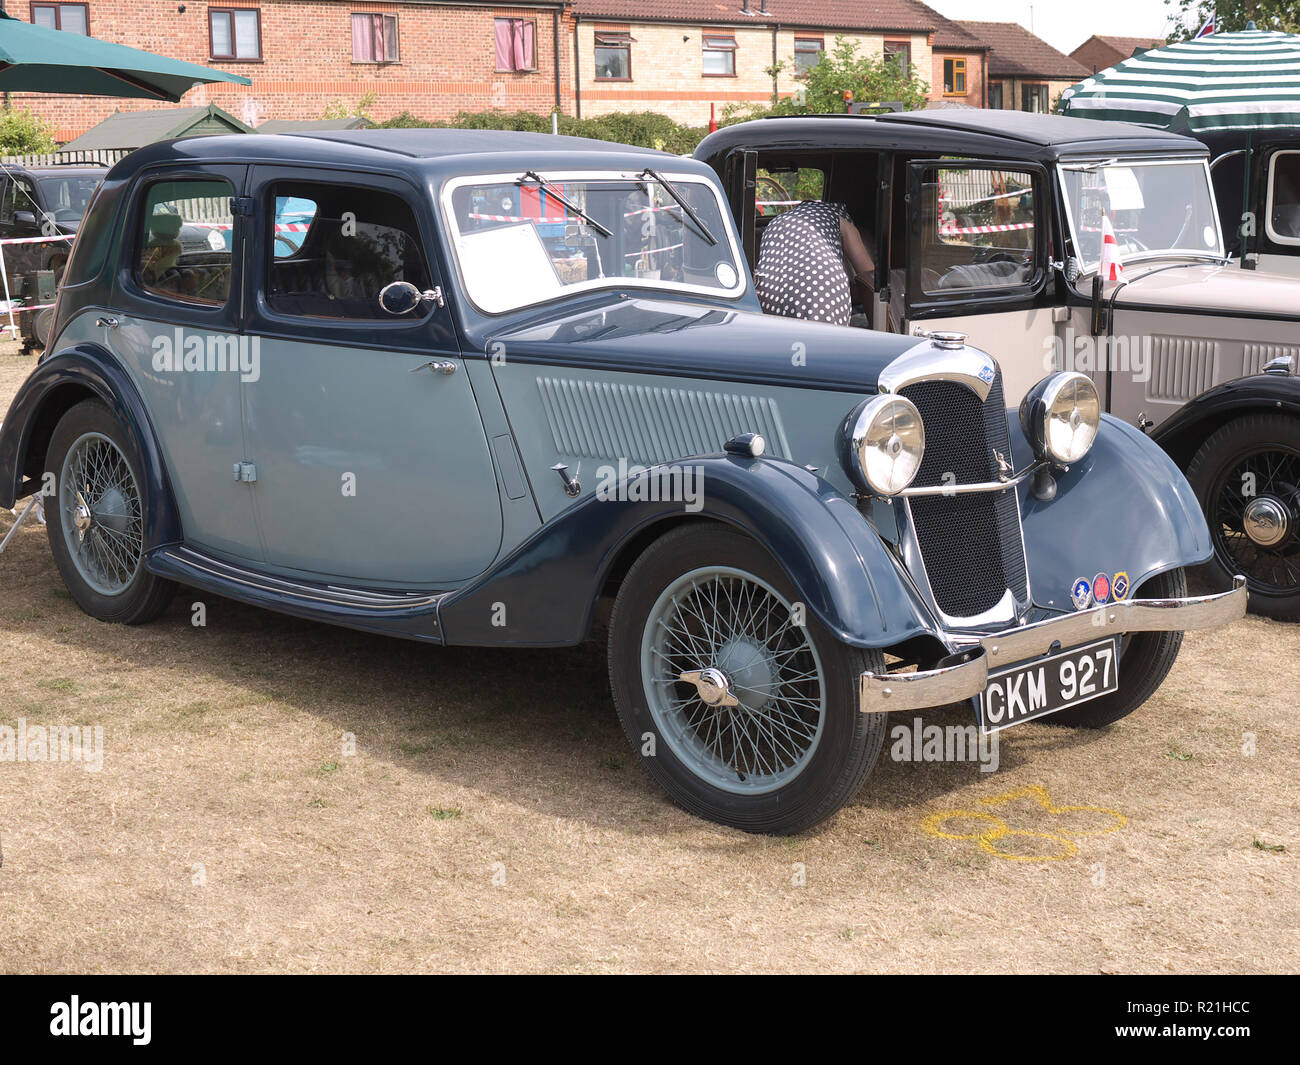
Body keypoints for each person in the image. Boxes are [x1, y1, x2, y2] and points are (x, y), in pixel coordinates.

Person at [754, 200, 874, 327]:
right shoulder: (839, 218)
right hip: (819, 289)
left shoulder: (779, 220)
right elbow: (869, 278)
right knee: (825, 342)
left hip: (770, 291)